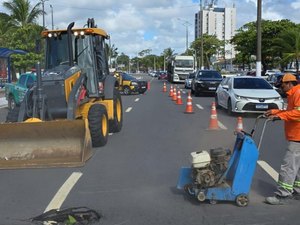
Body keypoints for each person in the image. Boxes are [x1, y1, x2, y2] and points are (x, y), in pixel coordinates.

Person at [264, 73, 300, 205]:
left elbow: (298, 113)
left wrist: (280, 117)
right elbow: (290, 111)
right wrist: (275, 112)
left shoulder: (298, 93)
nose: (281, 88)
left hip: (298, 136)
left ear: (290, 83)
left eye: (282, 85)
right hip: (297, 136)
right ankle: (298, 190)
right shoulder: (293, 94)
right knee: (297, 166)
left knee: (289, 166)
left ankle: (283, 195)